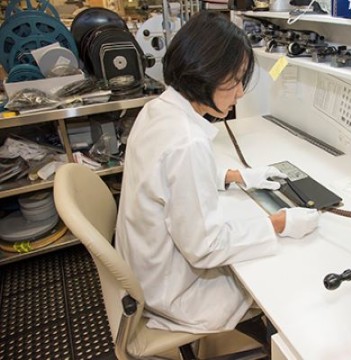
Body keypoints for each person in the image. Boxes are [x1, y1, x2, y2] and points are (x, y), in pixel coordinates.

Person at [115, 10, 319, 338]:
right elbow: (205, 247)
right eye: (235, 79)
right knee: (281, 281)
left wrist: (234, 176)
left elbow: (165, 179)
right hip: (174, 291)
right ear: (204, 72)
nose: (239, 93)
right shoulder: (186, 141)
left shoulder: (159, 108)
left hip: (147, 267)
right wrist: (279, 224)